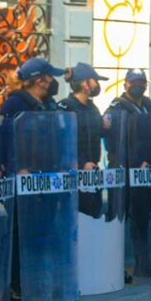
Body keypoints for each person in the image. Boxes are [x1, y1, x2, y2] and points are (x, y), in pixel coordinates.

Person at [0, 57, 64, 301]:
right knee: (21, 233)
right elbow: (6, 140)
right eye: (50, 76)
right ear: (40, 79)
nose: (53, 81)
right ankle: (17, 285)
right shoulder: (15, 105)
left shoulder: (48, 105)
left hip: (48, 179)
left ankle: (38, 280)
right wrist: (17, 168)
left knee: (44, 231)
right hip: (25, 180)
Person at [109, 69, 151, 279]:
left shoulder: (150, 106)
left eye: (142, 82)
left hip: (147, 175)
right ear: (125, 84)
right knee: (122, 218)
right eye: (134, 82)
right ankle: (118, 266)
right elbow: (114, 143)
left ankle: (144, 263)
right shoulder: (116, 108)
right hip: (125, 173)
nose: (139, 85)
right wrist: (135, 162)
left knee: (144, 218)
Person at [58, 63, 111, 219]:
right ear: (84, 83)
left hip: (92, 175)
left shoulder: (92, 108)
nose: (97, 84)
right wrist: (81, 164)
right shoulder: (65, 107)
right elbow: (62, 143)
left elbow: (94, 135)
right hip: (73, 175)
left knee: (93, 215)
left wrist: (105, 127)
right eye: (95, 80)